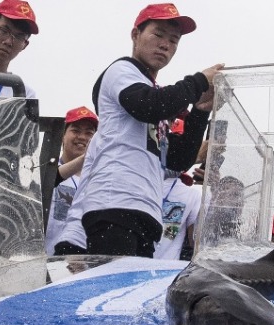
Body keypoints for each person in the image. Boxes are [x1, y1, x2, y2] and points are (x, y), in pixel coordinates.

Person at [75, 3, 224, 257]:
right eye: (158, 34)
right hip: (114, 204)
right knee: (115, 282)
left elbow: (179, 159)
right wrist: (198, 81)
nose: (165, 44)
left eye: (174, 40)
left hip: (146, 212)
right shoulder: (122, 70)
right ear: (136, 34)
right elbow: (148, 106)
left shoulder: (154, 93)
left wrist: (200, 112)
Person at [44, 106, 97, 256]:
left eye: (89, 133)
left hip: (81, 262)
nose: (82, 137)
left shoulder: (98, 180)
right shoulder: (45, 171)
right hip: (45, 260)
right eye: (76, 130)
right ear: (63, 135)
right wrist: (85, 159)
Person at [153, 174, 202, 260]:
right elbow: (195, 241)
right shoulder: (190, 194)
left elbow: (194, 241)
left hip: (136, 261)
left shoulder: (191, 194)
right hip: (166, 265)